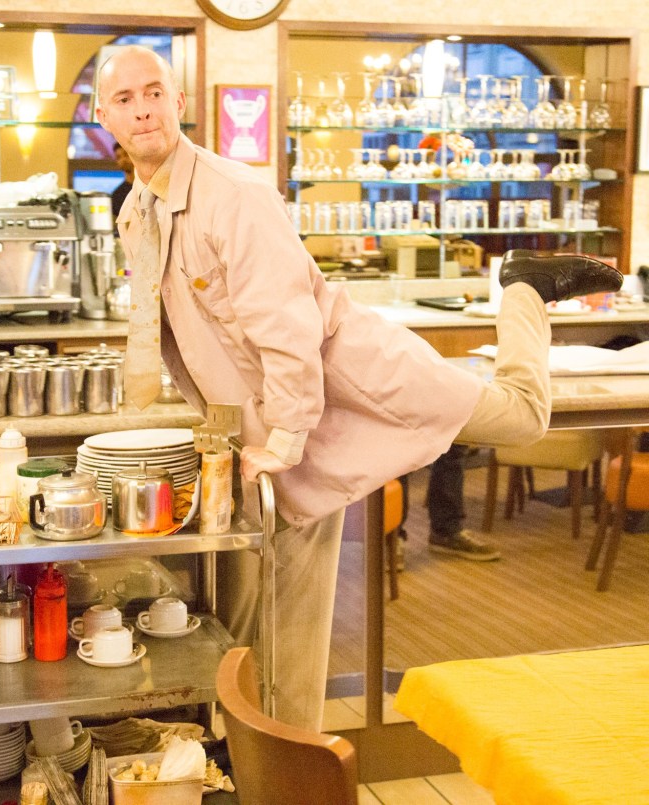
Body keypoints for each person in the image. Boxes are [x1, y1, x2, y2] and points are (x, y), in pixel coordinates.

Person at [95, 45, 622, 731]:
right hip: (275, 427)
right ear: (103, 115)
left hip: (356, 378)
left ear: (179, 101)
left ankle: (522, 283)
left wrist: (284, 440)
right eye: (126, 99)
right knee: (270, 618)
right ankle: (269, 756)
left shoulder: (236, 195)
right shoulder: (138, 213)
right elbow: (178, 340)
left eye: (154, 92)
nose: (143, 109)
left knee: (521, 418)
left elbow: (286, 329)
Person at [110, 140, 134, 224]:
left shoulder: (149, 187)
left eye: (126, 155)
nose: (123, 160)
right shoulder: (117, 196)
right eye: (118, 157)